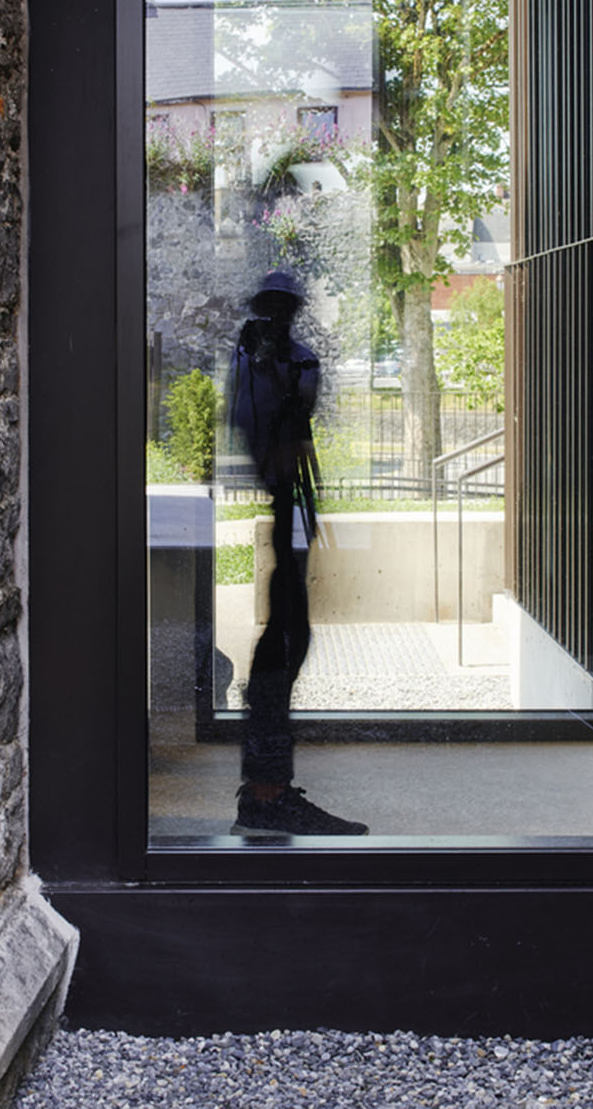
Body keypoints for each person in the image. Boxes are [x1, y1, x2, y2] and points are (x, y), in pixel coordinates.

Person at [227, 270, 368, 836]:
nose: (281, 320)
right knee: (283, 643)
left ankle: (267, 790)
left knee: (288, 639)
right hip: (284, 492)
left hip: (290, 496)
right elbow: (268, 428)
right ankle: (266, 794)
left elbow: (293, 419)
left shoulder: (286, 359)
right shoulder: (261, 360)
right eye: (274, 310)